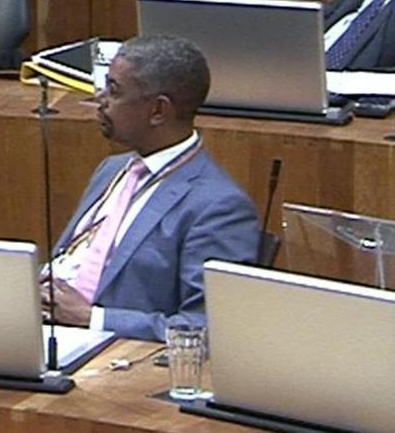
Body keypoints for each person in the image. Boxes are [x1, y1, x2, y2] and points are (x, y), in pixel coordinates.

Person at [44, 35, 259, 343]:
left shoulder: (219, 207)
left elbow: (207, 327)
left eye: (114, 91)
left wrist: (94, 319)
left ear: (159, 110)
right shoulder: (112, 169)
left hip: (113, 356)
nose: (100, 99)